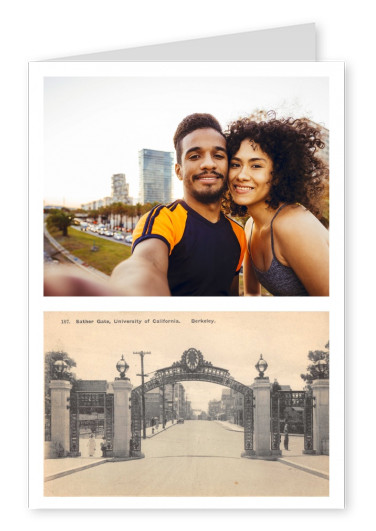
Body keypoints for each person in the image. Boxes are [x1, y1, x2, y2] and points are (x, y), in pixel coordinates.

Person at [44, 113, 246, 296]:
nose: (208, 163)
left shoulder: (238, 233)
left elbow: (230, 293)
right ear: (178, 171)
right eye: (194, 156)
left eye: (218, 155)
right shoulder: (163, 219)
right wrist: (130, 296)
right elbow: (144, 264)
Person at [224, 115, 329, 296]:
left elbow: (334, 309)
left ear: (278, 174)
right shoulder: (250, 226)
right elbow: (252, 296)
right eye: (235, 164)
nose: (241, 175)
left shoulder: (295, 224)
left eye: (256, 166)